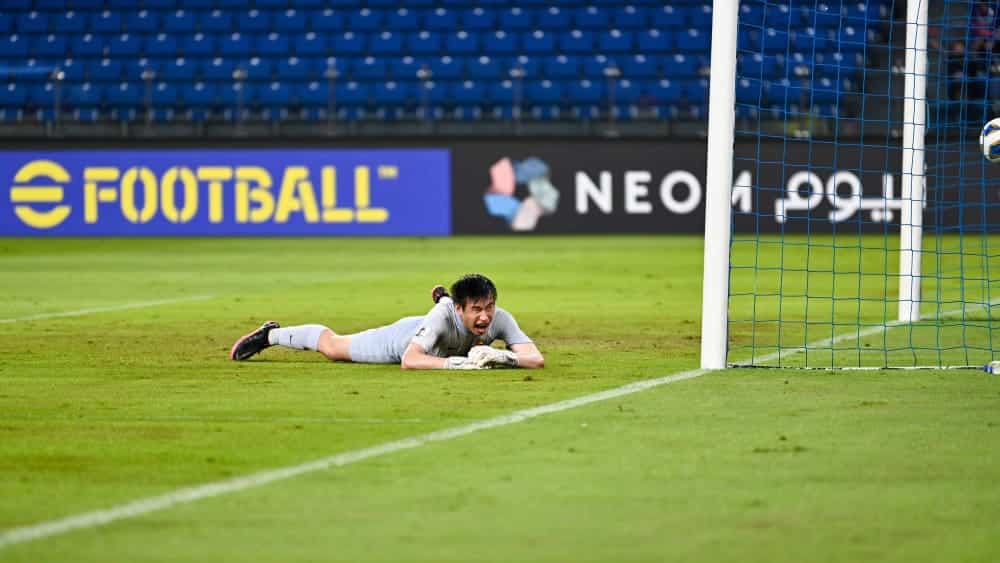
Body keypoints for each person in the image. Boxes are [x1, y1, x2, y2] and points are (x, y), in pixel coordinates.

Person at [229, 274, 544, 370]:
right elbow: (410, 360)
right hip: (403, 339)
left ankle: (442, 297)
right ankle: (271, 335)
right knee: (334, 348)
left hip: (440, 328)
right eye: (476, 309)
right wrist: (459, 365)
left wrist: (504, 357)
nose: (485, 316)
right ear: (460, 309)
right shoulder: (441, 319)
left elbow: (536, 359)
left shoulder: (499, 318)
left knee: (444, 315)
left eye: (489, 306)